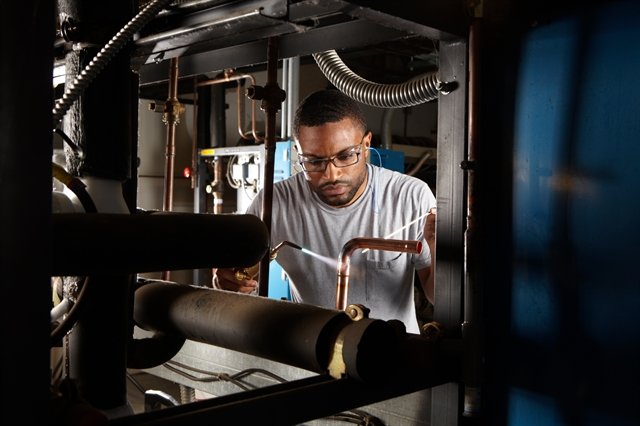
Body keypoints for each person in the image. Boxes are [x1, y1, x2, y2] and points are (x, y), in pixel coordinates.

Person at [214, 89, 436, 334]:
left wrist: (438, 251)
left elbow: (436, 293)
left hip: (396, 355)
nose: (332, 174)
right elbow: (235, 280)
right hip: (316, 355)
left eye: (345, 156)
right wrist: (228, 281)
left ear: (366, 144)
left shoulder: (411, 196)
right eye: (314, 161)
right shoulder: (274, 204)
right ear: (299, 154)